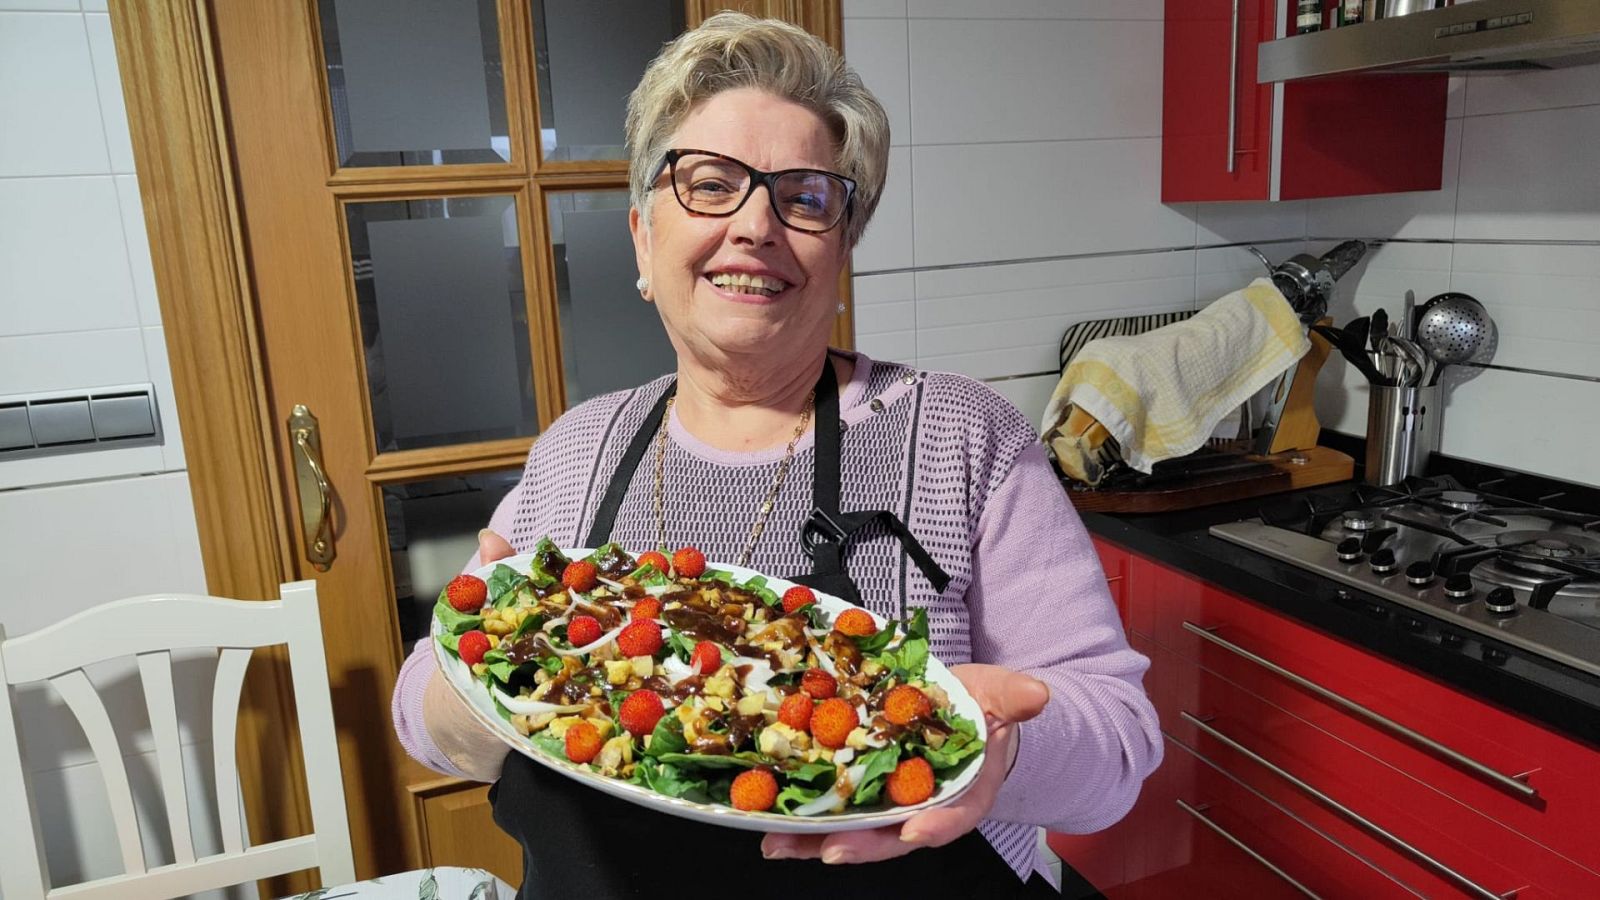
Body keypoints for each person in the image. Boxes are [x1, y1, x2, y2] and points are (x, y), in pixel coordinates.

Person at [391, 12, 1160, 898]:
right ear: (643, 238)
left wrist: (1000, 748)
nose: (756, 224)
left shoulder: (963, 437)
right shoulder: (577, 451)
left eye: (804, 197)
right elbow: (422, 719)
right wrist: (484, 668)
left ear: (842, 248)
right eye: (710, 184)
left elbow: (1119, 748)